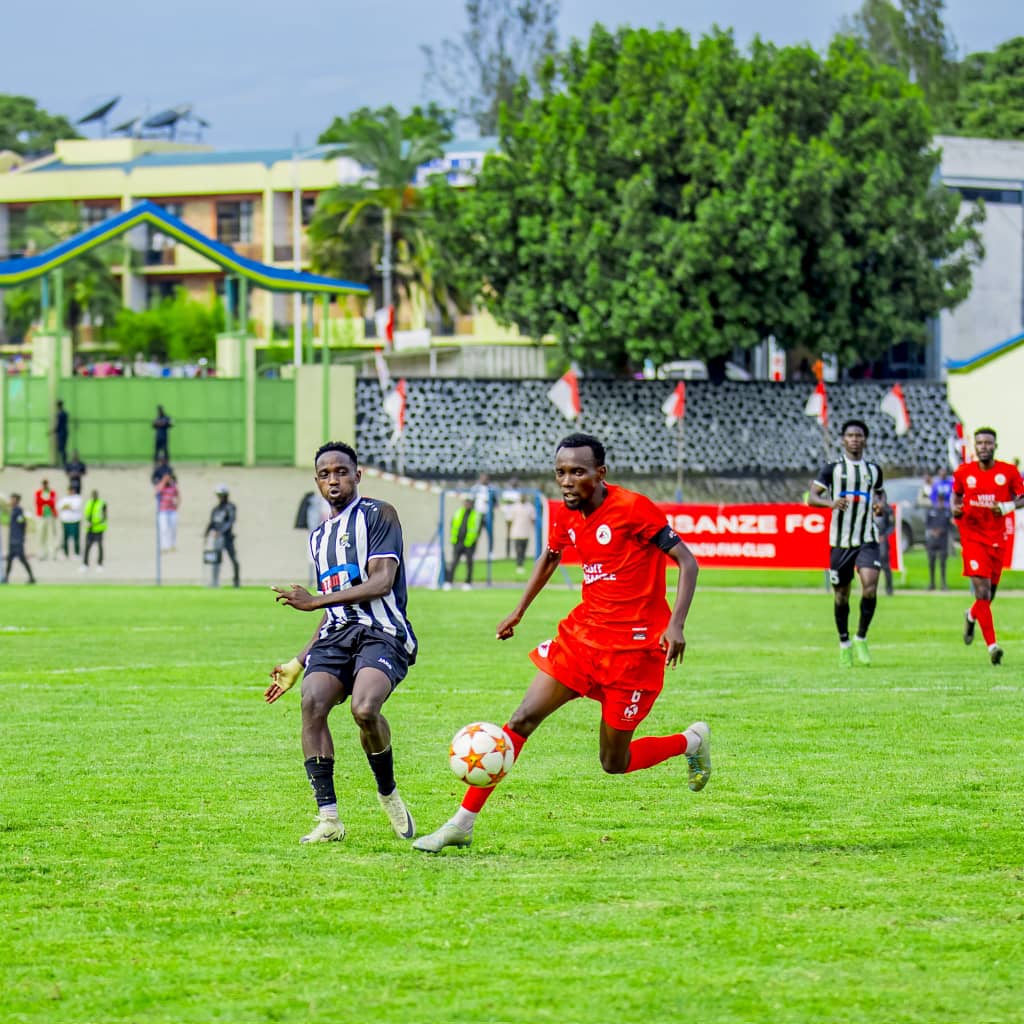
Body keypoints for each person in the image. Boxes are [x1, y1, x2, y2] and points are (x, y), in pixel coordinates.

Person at [413, 432, 709, 854]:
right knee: (520, 720)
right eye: (560, 473)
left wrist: (676, 625)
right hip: (582, 641)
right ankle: (461, 823)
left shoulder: (633, 508)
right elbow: (551, 556)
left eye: (577, 472)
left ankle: (691, 741)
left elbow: (687, 562)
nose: (567, 481)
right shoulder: (565, 515)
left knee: (614, 762)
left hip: (635, 652)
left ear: (600, 473)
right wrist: (519, 610)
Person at [264, 441, 418, 845]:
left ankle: (388, 793)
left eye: (341, 472)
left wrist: (315, 599)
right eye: (325, 474)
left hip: (381, 632)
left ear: (357, 475)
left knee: (364, 709)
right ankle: (329, 818)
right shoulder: (318, 538)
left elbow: (381, 582)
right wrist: (299, 660)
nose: (333, 480)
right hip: (335, 636)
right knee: (312, 704)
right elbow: (334, 604)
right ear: (317, 481)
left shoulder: (379, 515)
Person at [807, 419, 887, 667]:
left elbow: (880, 491)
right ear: (843, 439)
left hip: (867, 538)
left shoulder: (873, 470)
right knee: (841, 596)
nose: (855, 439)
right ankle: (844, 644)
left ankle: (861, 638)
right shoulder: (832, 469)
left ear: (865, 440)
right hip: (840, 542)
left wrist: (880, 504)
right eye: (850, 435)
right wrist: (830, 503)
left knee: (870, 587)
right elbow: (812, 497)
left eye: (859, 435)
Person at [952, 427, 1024, 665]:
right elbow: (956, 496)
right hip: (972, 538)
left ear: (995, 446)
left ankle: (971, 615)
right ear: (975, 447)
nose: (984, 446)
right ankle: (993, 647)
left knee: (989, 595)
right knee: (981, 591)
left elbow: (1022, 496)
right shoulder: (964, 472)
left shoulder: (1008, 472)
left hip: (997, 539)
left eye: (988, 443)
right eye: (980, 443)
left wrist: (1006, 507)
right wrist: (955, 508)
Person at [204, 485, 239, 587]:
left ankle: (236, 581)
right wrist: (206, 534)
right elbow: (212, 522)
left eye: (222, 495)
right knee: (216, 560)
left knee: (233, 559)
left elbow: (231, 521)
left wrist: (221, 531)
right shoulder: (216, 509)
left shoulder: (230, 507)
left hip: (227, 538)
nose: (220, 497)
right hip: (217, 539)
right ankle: (214, 581)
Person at [446, 496, 483, 589]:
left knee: (469, 563)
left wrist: (474, 539)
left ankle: (468, 582)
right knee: (454, 562)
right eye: (466, 502)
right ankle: (449, 581)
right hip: (457, 542)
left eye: (469, 503)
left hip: (469, 543)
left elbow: (478, 529)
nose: (467, 504)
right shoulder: (458, 512)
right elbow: (452, 524)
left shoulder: (476, 515)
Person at [3, 494, 36, 584]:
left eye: (13, 499)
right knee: (10, 560)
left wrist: (20, 537)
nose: (11, 501)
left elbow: (22, 524)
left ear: (17, 500)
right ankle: (6, 578)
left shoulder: (19, 510)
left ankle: (31, 577)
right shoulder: (13, 510)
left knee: (22, 559)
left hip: (17, 540)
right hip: (13, 539)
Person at [925, 492, 953, 591]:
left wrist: (941, 531)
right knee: (931, 562)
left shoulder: (947, 511)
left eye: (942, 500)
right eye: (939, 500)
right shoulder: (931, 510)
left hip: (943, 540)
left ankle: (943, 584)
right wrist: (932, 531)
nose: (940, 503)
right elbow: (927, 524)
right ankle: (932, 583)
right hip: (932, 539)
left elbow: (950, 526)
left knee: (943, 563)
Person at [506, 491, 536, 573]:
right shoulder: (514, 507)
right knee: (518, 549)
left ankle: (521, 563)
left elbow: (533, 519)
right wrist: (509, 530)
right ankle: (519, 565)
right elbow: (509, 519)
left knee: (524, 549)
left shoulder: (530, 507)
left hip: (526, 531)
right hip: (516, 531)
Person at [82, 490, 108, 571]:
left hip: (98, 529)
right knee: (87, 546)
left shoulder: (102, 503)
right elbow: (86, 514)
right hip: (90, 529)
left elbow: (104, 517)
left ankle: (100, 564)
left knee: (99, 546)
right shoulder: (89, 503)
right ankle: (85, 564)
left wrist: (94, 523)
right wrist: (88, 522)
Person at [33, 479, 58, 561]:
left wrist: (45, 502)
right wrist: (46, 501)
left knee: (51, 535)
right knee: (41, 535)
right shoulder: (38, 493)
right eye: (44, 484)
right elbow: (38, 502)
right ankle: (42, 553)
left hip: (50, 516)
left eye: (46, 484)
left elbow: (52, 502)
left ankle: (52, 553)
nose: (45, 485)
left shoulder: (52, 492)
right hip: (41, 516)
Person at [874, 500, 895, 597]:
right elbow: (875, 523)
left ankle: (889, 588)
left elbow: (891, 526)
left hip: (883, 540)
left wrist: (884, 535)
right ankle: (872, 588)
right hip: (873, 540)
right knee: (873, 565)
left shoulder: (888, 509)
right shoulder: (874, 507)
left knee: (885, 564)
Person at [57, 484, 83, 560]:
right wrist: (68, 506)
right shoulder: (64, 498)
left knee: (76, 537)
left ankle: (76, 553)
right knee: (65, 538)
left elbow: (75, 506)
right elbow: (59, 506)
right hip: (66, 521)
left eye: (72, 490)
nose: (70, 491)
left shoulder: (77, 498)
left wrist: (67, 506)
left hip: (75, 520)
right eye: (69, 490)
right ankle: (66, 553)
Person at [156, 474, 180, 553]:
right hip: (163, 510)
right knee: (164, 529)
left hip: (172, 510)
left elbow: (178, 495)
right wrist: (164, 481)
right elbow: (157, 492)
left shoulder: (173, 486)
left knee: (173, 528)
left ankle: (172, 545)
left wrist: (177, 505)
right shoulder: (161, 486)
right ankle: (164, 546)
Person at [53, 400, 69, 468]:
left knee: (61, 448)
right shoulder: (65, 413)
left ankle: (63, 463)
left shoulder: (59, 414)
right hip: (65, 432)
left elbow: (58, 425)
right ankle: (64, 463)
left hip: (61, 433)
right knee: (63, 448)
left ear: (58, 406)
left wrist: (53, 431)